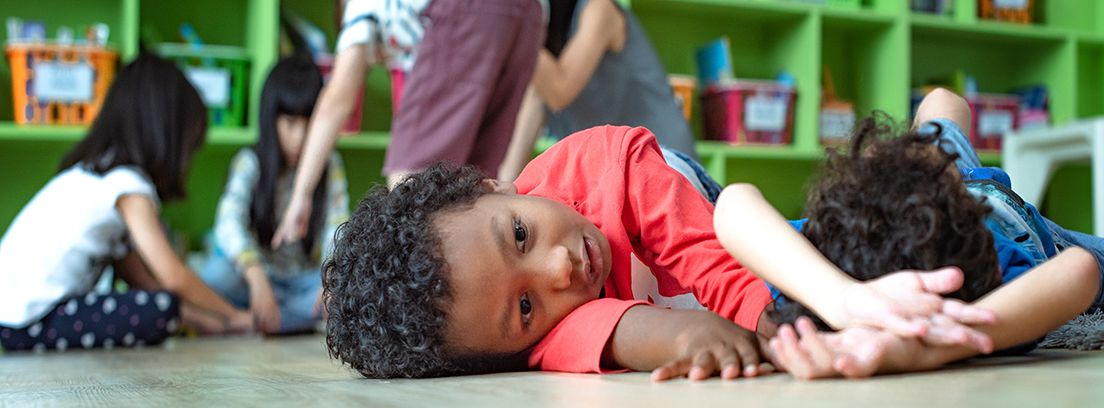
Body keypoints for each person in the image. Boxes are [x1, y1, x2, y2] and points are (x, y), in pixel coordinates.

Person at [322, 125, 993, 380]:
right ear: (508, 347)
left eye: (521, 234)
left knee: (928, 163)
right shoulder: (536, 338)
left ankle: (944, 122)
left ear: (494, 188)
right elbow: (617, 331)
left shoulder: (593, 164)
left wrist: (765, 316)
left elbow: (698, 241)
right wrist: (685, 337)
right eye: (525, 306)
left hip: (733, 228)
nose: (560, 270)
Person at [711, 88, 1102, 379]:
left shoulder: (829, 249)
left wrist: (842, 299)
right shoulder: (993, 284)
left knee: (942, 104)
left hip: (940, 189)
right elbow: (1080, 269)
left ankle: (934, 168)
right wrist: (937, 340)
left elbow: (734, 202)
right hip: (1003, 222)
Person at [0, 54, 253, 351]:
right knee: (160, 307)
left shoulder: (97, 175)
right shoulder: (128, 186)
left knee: (160, 303)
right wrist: (235, 316)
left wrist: (206, 320)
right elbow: (172, 277)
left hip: (14, 316)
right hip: (30, 319)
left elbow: (138, 276)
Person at [271, 0, 546, 249]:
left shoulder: (360, 9)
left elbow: (336, 100)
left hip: (466, 12)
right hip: (527, 17)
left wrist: (300, 195)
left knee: (410, 200)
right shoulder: (413, 24)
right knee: (474, 196)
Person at [200, 57, 349, 335]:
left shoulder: (330, 164)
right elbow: (228, 223)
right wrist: (255, 275)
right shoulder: (250, 161)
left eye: (310, 124)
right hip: (257, 278)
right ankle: (285, 319)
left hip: (305, 281)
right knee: (214, 276)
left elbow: (337, 226)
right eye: (290, 123)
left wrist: (331, 279)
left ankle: (256, 321)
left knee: (350, 290)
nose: (300, 137)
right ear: (271, 118)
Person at [498, 0, 699, 181]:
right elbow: (537, 103)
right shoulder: (547, 48)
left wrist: (506, 26)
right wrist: (502, 188)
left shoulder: (600, 10)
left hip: (666, 162)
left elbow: (560, 89)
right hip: (619, 170)